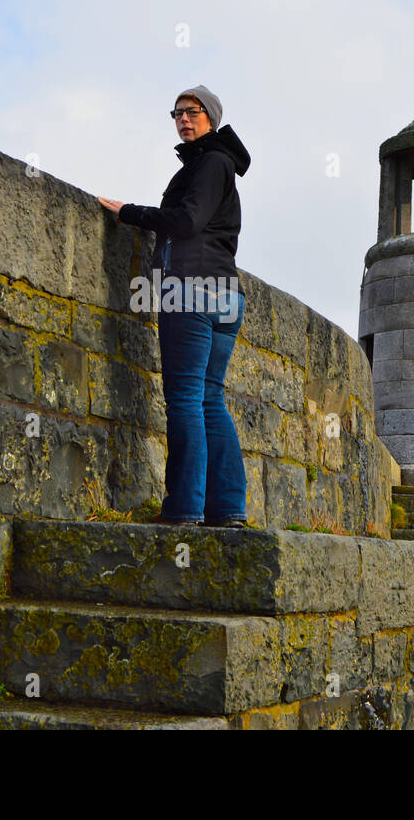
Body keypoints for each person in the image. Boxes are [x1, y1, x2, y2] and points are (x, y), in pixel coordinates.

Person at [96, 85, 251, 527]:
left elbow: (186, 222)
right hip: (225, 294)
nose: (184, 119)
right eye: (177, 113)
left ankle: (184, 509)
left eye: (193, 112)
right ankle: (226, 510)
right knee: (209, 400)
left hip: (193, 290)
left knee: (187, 398)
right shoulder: (219, 165)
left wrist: (130, 212)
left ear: (211, 118)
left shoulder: (210, 162)